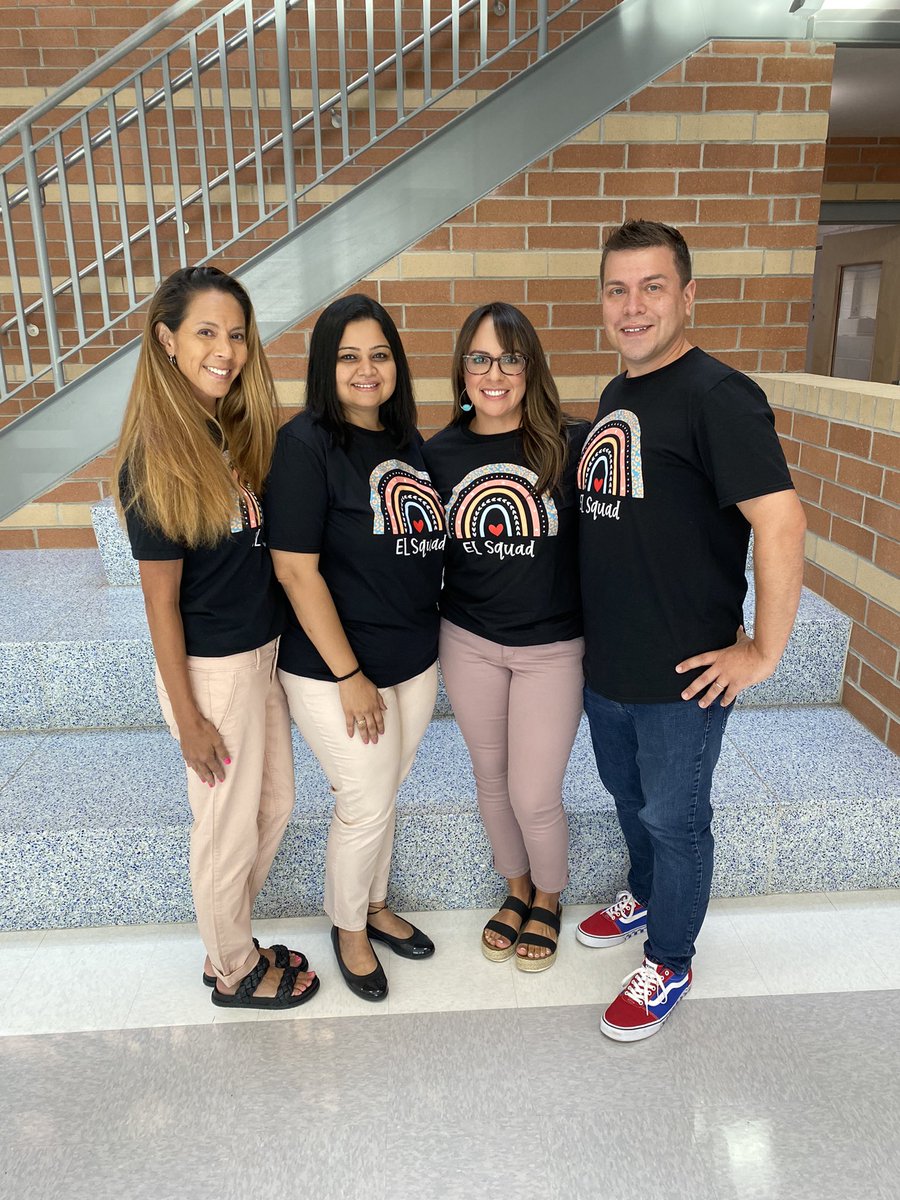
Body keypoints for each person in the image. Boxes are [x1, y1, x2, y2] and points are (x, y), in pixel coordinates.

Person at [576, 220, 806, 1040]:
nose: (633, 306)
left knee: (675, 820)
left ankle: (670, 959)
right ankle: (644, 894)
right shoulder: (619, 393)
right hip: (610, 668)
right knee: (629, 798)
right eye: (617, 289)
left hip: (684, 678)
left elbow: (781, 523)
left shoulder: (718, 396)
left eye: (652, 287)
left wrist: (764, 651)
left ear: (687, 295)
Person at [115, 265, 318, 1010]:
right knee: (225, 829)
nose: (225, 349)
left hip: (261, 658)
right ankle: (232, 967)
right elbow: (159, 603)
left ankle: (227, 938)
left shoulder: (224, 433)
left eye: (236, 334)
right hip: (213, 672)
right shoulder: (156, 456)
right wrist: (189, 717)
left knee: (275, 807)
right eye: (206, 332)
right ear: (167, 340)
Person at [266, 293, 445, 1002]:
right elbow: (294, 569)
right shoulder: (305, 444)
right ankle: (348, 928)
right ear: (324, 366)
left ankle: (374, 904)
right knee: (365, 799)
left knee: (384, 791)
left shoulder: (406, 440)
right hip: (334, 668)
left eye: (379, 355)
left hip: (413, 657)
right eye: (348, 357)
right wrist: (349, 675)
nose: (366, 370)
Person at [423, 302, 589, 972]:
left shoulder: (571, 444)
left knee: (534, 792)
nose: (495, 374)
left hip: (552, 650)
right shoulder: (436, 455)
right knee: (491, 779)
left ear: (531, 368)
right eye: (480, 359)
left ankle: (549, 894)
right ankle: (516, 889)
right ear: (462, 371)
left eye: (510, 359)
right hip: (468, 642)